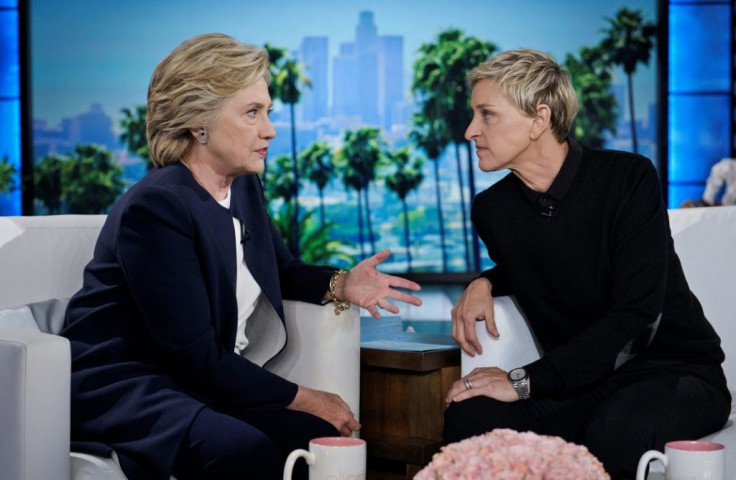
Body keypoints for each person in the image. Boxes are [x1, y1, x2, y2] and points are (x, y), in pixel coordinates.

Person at [61, 33, 422, 480]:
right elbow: (193, 356)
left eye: (267, 112)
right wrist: (308, 395)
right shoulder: (156, 207)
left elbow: (281, 270)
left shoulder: (243, 185)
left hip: (189, 378)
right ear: (199, 123)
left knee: (312, 436)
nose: (269, 129)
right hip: (126, 386)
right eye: (252, 113)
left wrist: (341, 283)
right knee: (242, 449)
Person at [442, 48, 730, 479]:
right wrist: (483, 282)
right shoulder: (493, 209)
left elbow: (637, 317)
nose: (470, 131)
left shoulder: (628, 178)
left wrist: (523, 381)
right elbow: (548, 260)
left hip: (673, 370)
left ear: (539, 119)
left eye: (487, 115)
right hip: (584, 380)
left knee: (614, 432)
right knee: (469, 418)